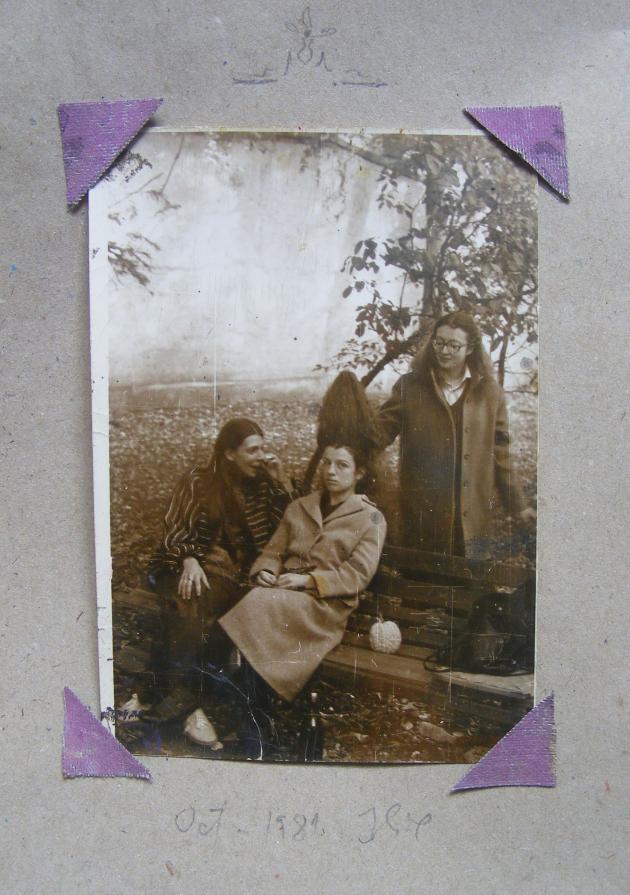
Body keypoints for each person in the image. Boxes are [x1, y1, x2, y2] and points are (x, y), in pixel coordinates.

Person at [128, 417, 296, 745]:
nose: (262, 456)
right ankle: (186, 704)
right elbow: (175, 529)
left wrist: (282, 482)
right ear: (229, 453)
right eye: (253, 450)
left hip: (234, 576)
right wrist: (189, 558)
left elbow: (288, 528)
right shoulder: (199, 481)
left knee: (207, 608)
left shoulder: (265, 483)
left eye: (263, 448)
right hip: (183, 564)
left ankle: (164, 697)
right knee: (189, 599)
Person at [219, 443, 387, 708]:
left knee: (258, 603)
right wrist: (265, 571)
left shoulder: (371, 518)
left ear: (359, 473)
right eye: (326, 463)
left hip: (324, 604)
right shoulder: (300, 507)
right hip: (283, 592)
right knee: (250, 601)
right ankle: (248, 711)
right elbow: (273, 552)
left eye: (342, 465)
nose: (330, 471)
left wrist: (308, 580)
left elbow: (357, 575)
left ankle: (221, 705)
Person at [376, 311, 536, 559]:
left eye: (453, 345)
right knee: (421, 578)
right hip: (422, 514)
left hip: (471, 517)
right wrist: (351, 437)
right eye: (439, 342)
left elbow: (501, 454)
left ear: (470, 348)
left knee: (467, 579)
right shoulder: (411, 386)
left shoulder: (490, 394)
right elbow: (381, 430)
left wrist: (518, 504)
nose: (444, 351)